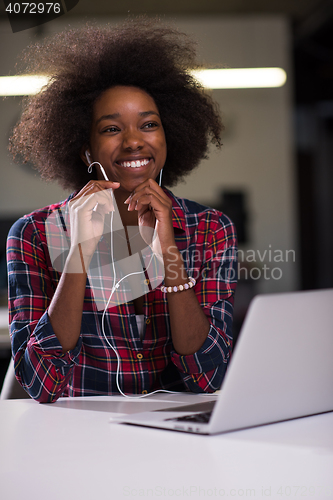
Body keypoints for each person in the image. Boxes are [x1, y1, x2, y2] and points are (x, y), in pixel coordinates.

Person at [7, 20, 237, 403]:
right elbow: (40, 383)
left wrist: (168, 251)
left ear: (169, 137)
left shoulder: (210, 228)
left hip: (179, 436)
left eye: (148, 125)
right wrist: (79, 250)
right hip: (79, 436)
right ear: (86, 150)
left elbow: (209, 378)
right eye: (112, 129)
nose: (134, 142)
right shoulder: (33, 233)